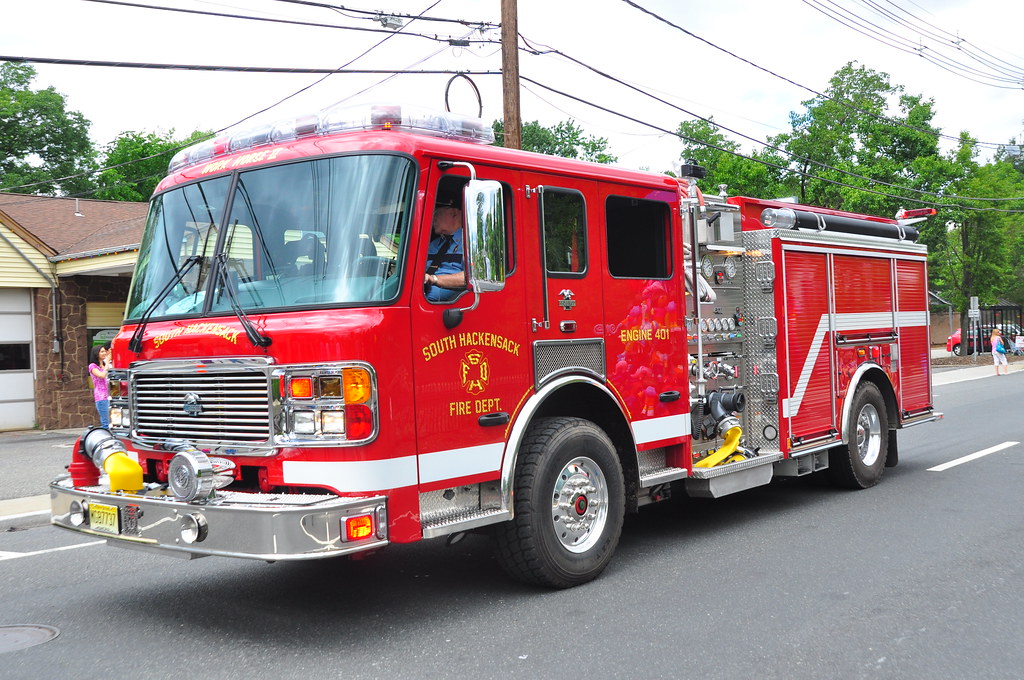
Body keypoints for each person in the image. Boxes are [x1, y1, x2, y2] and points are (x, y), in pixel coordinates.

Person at [424, 196, 466, 302]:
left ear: (454, 213)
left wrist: (434, 279)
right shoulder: (433, 244)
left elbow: (474, 277)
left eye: (437, 213)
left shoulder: (471, 243)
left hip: (447, 300)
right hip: (421, 289)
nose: (433, 218)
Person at [89, 343, 112, 428]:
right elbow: (102, 375)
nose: (104, 353)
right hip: (101, 397)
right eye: (102, 352)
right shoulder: (92, 366)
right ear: (96, 354)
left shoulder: (105, 365)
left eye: (105, 351)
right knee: (106, 422)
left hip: (110, 396)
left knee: (113, 422)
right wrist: (107, 364)